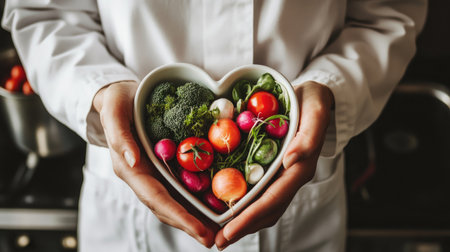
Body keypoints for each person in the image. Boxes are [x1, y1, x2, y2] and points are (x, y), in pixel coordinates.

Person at [2, 1, 426, 251]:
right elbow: (43, 12)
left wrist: (332, 88)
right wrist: (99, 88)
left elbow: (388, 14)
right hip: (128, 211)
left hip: (300, 199)